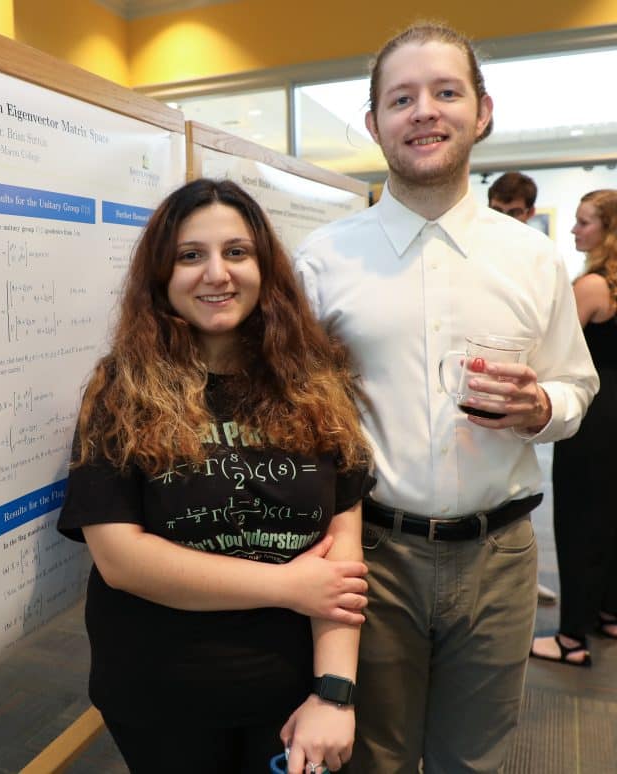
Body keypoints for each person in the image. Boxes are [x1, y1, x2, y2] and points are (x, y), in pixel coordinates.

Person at [294, 22, 599, 773]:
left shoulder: (532, 259)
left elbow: (576, 383)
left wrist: (543, 411)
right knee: (375, 758)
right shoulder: (324, 260)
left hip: (501, 558)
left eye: (445, 92)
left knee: (478, 761)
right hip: (371, 554)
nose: (423, 110)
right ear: (374, 125)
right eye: (401, 98)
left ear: (482, 112)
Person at [57, 178, 374, 774]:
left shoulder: (319, 383)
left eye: (236, 252)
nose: (216, 274)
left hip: (291, 696)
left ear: (264, 266)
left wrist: (335, 693)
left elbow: (343, 560)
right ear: (162, 276)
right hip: (159, 693)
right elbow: (121, 561)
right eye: (190, 255)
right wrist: (285, 584)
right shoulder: (121, 388)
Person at [530, 189, 617, 666]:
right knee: (611, 521)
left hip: (596, 418)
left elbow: (557, 353)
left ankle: (570, 639)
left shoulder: (592, 286)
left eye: (584, 222)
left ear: (608, 229)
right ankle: (608, 613)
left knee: (581, 523)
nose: (573, 230)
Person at [487, 170, 558, 605]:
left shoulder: (539, 260)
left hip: (517, 407)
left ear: (529, 213)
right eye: (498, 211)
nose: (506, 220)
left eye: (514, 213)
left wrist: (541, 403)